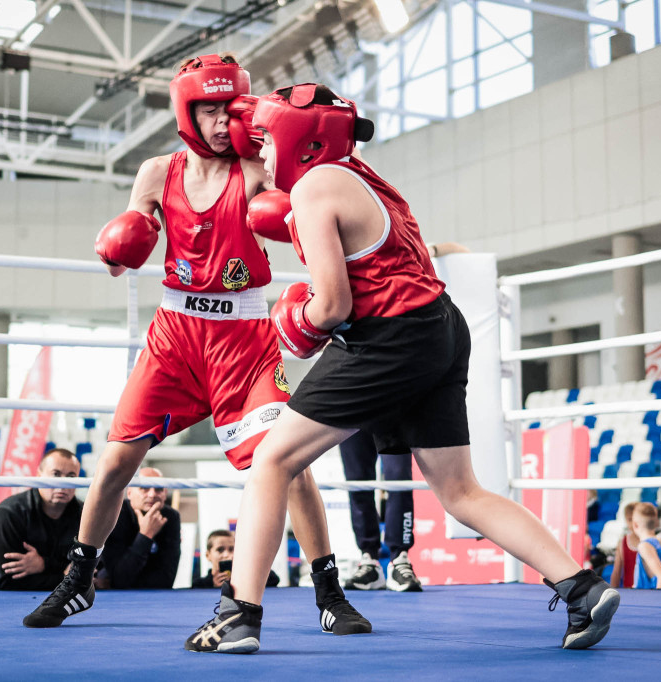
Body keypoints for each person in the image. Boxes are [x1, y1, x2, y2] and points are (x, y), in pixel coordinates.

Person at [185, 83, 619, 654]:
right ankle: (581, 587)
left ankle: (239, 614)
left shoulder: (315, 186)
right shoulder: (365, 175)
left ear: (299, 140)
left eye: (267, 140)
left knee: (271, 459)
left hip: (388, 336)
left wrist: (299, 321)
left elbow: (334, 305)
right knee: (459, 489)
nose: (261, 153)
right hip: (439, 326)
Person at [23, 56, 368, 636]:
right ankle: (79, 579)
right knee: (115, 460)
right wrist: (117, 249)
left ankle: (329, 591)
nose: (220, 119)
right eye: (208, 108)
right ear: (187, 112)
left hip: (246, 340)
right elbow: (128, 244)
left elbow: (312, 208)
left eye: (229, 107)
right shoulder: (157, 172)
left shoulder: (259, 170)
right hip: (175, 337)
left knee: (289, 463)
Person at [0, 448, 81, 590]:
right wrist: (64, 578)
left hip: (55, 599)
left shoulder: (84, 514)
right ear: (39, 475)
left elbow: (90, 569)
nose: (63, 484)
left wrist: (44, 564)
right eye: (56, 474)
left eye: (71, 477)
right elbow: (4, 580)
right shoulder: (8, 514)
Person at [339, 431, 420, 591]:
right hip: (350, 409)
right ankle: (369, 559)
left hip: (392, 410)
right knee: (357, 480)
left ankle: (399, 559)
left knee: (399, 476)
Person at [97, 468, 180, 589]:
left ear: (165, 494)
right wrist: (146, 535)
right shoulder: (115, 515)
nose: (152, 494)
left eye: (158, 489)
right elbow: (120, 579)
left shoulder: (171, 517)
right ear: (129, 493)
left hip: (156, 597)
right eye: (144, 488)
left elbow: (166, 580)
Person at [192, 529, 279, 589]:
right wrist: (213, 587)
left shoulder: (247, 578)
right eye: (220, 550)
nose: (226, 554)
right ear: (208, 555)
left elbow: (273, 579)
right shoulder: (200, 585)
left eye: (231, 549)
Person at [631, 503, 661, 589]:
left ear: (635, 524)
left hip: (647, 598)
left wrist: (658, 601)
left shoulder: (644, 546)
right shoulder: (659, 541)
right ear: (656, 523)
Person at [610, 502, 638, 589]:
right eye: (629, 520)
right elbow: (616, 571)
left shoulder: (653, 541)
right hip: (630, 590)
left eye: (635, 519)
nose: (633, 524)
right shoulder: (623, 542)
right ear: (626, 520)